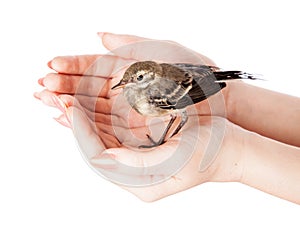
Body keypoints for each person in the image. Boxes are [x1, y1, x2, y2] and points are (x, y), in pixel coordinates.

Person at [34, 33, 300, 204]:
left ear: (148, 77)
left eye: (135, 79)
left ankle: (164, 136)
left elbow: (187, 94)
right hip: (192, 76)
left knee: (179, 115)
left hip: (192, 86)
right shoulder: (136, 90)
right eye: (127, 80)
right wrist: (234, 99)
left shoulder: (153, 94)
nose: (127, 84)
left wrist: (228, 145)